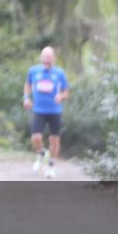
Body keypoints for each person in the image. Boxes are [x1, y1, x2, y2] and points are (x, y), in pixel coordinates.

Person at [23, 46, 70, 179]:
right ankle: (42, 152)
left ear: (53, 58)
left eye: (49, 57)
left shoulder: (59, 73)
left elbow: (66, 92)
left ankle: (51, 166)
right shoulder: (33, 71)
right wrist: (26, 98)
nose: (46, 59)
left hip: (55, 110)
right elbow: (27, 85)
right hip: (39, 110)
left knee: (54, 139)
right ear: (41, 58)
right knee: (35, 137)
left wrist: (61, 96)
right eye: (44, 56)